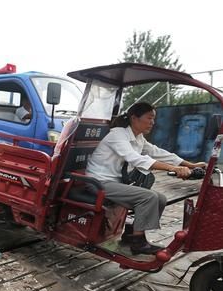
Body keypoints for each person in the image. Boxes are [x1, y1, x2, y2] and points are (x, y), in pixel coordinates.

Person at [86, 102, 207, 255]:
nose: (152, 122)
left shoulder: (138, 138)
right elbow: (136, 159)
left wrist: (191, 165)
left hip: (115, 182)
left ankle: (131, 233)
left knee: (160, 198)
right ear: (134, 118)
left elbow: (158, 152)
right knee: (148, 197)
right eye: (149, 118)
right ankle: (138, 242)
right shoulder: (117, 135)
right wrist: (174, 168)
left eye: (153, 119)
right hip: (99, 182)